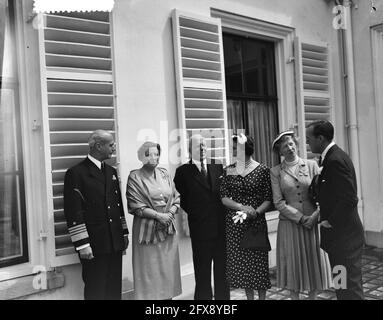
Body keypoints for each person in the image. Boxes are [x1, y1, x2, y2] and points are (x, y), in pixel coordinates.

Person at [63, 130, 129, 300]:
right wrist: (82, 244)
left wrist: (124, 233)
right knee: (96, 290)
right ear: (99, 146)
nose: (114, 148)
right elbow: (73, 211)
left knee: (114, 289)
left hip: (114, 241)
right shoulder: (76, 173)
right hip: (94, 244)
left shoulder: (111, 171)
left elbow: (118, 206)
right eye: (111, 144)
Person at [270, 130, 332, 300]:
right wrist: (301, 218)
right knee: (293, 266)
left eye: (291, 144)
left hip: (313, 223)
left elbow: (323, 195)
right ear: (280, 151)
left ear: (296, 145)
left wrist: (314, 217)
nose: (289, 148)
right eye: (285, 146)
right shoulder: (276, 172)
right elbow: (278, 202)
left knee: (314, 264)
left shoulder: (311, 165)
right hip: (291, 225)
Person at [306, 120, 365, 300]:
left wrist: (330, 220)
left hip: (344, 239)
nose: (308, 143)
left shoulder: (335, 160)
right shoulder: (330, 157)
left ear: (321, 138)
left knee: (350, 289)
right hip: (338, 240)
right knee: (342, 286)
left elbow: (349, 199)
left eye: (309, 139)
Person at [174, 134, 230, 300]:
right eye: (199, 146)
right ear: (190, 150)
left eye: (205, 145)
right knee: (202, 273)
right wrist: (198, 213)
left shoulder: (217, 166)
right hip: (200, 230)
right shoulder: (183, 172)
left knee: (222, 273)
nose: (203, 149)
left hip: (220, 229)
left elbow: (225, 193)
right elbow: (181, 198)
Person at [126, 141, 182, 300]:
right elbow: (135, 204)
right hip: (147, 232)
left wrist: (170, 214)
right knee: (149, 272)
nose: (154, 157)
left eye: (157, 154)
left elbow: (176, 198)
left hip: (167, 231)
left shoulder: (165, 173)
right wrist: (159, 216)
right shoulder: (134, 176)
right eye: (150, 154)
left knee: (167, 272)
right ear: (142, 156)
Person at [220, 133, 272, 300]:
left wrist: (255, 212)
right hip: (235, 226)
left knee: (258, 267)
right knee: (243, 269)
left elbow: (268, 198)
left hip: (255, 224)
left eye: (236, 147)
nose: (233, 150)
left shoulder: (263, 170)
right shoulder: (229, 170)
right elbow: (223, 197)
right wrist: (241, 207)